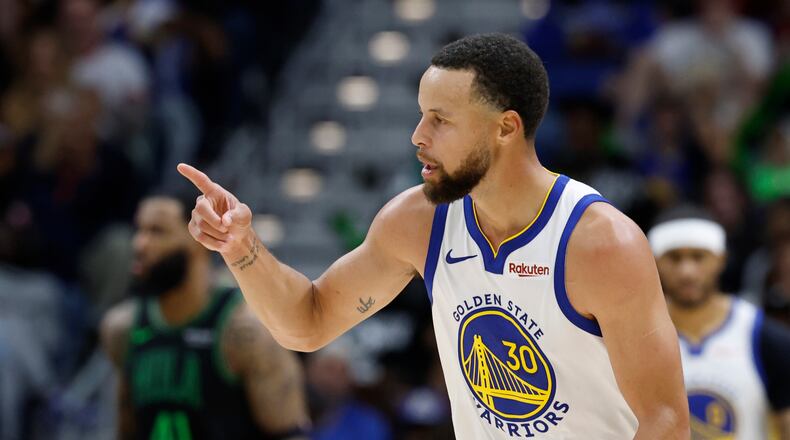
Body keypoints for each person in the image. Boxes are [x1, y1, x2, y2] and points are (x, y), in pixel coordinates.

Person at [179, 34, 689, 438]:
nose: (417, 136)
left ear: (506, 128)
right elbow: (307, 325)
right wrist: (242, 249)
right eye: (421, 115)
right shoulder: (418, 221)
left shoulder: (600, 244)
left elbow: (666, 420)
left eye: (440, 120)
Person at [100, 193, 310, 440]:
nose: (140, 244)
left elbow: (291, 434)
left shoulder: (246, 332)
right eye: (139, 230)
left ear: (198, 238)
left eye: (157, 232)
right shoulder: (122, 329)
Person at [649, 209, 790, 439]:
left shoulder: (763, 337)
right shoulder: (634, 335)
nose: (687, 271)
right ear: (655, 262)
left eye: (698, 257)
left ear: (721, 259)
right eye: (674, 258)